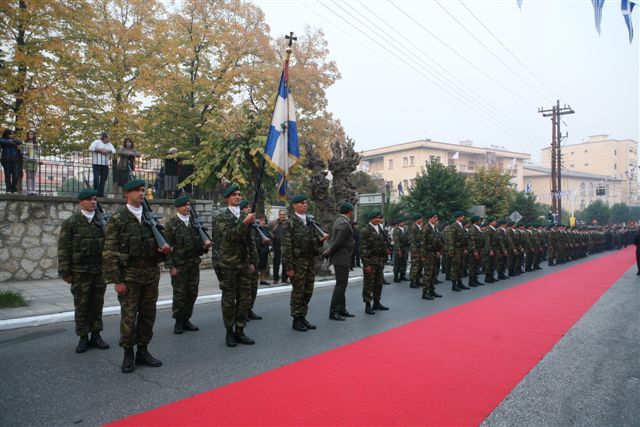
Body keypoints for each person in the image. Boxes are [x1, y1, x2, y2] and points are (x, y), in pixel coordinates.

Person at [103, 179, 171, 373]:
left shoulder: (151, 219)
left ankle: (143, 350)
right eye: (137, 191)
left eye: (143, 190)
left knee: (148, 315)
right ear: (127, 194)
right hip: (129, 275)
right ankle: (128, 354)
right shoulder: (118, 220)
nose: (141, 194)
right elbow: (109, 253)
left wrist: (165, 250)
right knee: (129, 316)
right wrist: (117, 280)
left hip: (150, 274)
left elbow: (159, 250)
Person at [57, 188, 110, 353]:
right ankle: (83, 337)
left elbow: (110, 246)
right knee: (81, 305)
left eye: (95, 199)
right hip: (80, 272)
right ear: (81, 202)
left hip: (98, 270)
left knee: (97, 304)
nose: (93, 202)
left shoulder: (102, 222)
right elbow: (64, 248)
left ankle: (96, 335)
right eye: (89, 200)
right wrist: (65, 272)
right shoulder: (72, 222)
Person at [211, 183, 257, 347]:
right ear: (227, 199)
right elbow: (230, 235)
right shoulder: (222, 216)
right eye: (234, 195)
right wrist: (245, 222)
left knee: (245, 299)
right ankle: (229, 332)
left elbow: (249, 240)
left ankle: (240, 330)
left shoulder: (244, 216)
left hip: (243, 264)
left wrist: (252, 261)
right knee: (229, 300)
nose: (238, 197)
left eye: (239, 194)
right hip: (228, 264)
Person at [164, 195, 212, 334]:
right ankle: (178, 321)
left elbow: (199, 246)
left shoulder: (195, 223)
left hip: (193, 265)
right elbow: (167, 248)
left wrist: (205, 246)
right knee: (180, 294)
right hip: (179, 266)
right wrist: (171, 266)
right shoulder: (172, 224)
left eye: (188, 205)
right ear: (178, 207)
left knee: (192, 293)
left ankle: (186, 319)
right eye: (184, 205)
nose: (187, 207)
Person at [282, 194, 328, 332]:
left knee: (308, 290)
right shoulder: (290, 223)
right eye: (301, 203)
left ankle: (303, 316)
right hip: (297, 263)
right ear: (294, 206)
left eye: (306, 203)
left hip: (309, 262)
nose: (305, 205)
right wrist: (289, 267)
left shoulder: (310, 222)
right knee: (298, 292)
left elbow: (313, 243)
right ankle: (296, 319)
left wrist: (320, 241)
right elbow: (286, 247)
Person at [325, 202, 355, 321]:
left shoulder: (341, 221)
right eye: (352, 211)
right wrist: (329, 253)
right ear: (349, 211)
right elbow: (337, 242)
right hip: (341, 258)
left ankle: (342, 309)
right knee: (340, 285)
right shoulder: (343, 223)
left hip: (343, 258)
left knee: (342, 284)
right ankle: (334, 311)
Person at [240, 199, 269, 320]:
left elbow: (254, 243)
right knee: (244, 290)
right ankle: (242, 311)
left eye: (249, 207)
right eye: (246, 207)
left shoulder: (253, 226)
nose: (248, 209)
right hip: (244, 262)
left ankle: (249, 308)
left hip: (254, 260)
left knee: (253, 287)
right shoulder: (241, 224)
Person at [360, 209, 390, 314]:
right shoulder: (366, 230)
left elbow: (383, 242)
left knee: (378, 283)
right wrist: (366, 264)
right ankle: (368, 305)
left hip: (380, 260)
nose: (378, 219)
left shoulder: (379, 229)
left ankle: (377, 302)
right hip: (371, 261)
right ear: (371, 219)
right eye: (376, 218)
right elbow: (363, 249)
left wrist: (386, 249)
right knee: (369, 284)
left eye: (379, 217)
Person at [421, 212, 443, 300]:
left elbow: (437, 241)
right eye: (434, 217)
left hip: (434, 253)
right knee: (427, 274)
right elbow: (423, 243)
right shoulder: (426, 228)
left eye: (436, 217)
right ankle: (425, 292)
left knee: (433, 273)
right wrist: (423, 255)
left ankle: (431, 290)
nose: (436, 219)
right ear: (429, 219)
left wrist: (438, 251)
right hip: (428, 254)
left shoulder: (435, 228)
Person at [446, 211, 469, 291]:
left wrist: (465, 249)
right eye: (462, 216)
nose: (463, 218)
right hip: (456, 250)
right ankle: (454, 284)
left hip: (461, 250)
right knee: (455, 267)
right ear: (458, 217)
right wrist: (451, 250)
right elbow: (451, 239)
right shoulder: (454, 226)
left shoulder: (461, 226)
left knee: (461, 267)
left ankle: (460, 282)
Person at [88, 133, 115, 197]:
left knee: (103, 180)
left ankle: (101, 193)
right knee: (96, 179)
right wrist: (99, 150)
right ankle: (95, 193)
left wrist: (107, 151)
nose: (109, 139)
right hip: (96, 164)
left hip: (105, 165)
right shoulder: (97, 142)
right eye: (108, 138)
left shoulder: (109, 144)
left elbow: (114, 151)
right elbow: (90, 148)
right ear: (104, 138)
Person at [268, 209, 288, 284]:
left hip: (286, 245)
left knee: (286, 262)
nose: (282, 216)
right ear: (279, 215)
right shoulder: (273, 223)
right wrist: (271, 236)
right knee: (276, 262)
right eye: (281, 214)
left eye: (283, 214)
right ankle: (276, 279)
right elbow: (267, 229)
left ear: (285, 215)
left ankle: (285, 278)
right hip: (276, 245)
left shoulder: (288, 223)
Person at [1, 129, 22, 193]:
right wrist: (9, 141)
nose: (12, 135)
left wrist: (12, 140)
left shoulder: (14, 140)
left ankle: (14, 189)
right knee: (7, 175)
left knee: (15, 175)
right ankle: (8, 189)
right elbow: (2, 141)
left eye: (12, 134)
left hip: (15, 159)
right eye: (11, 134)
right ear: (7, 134)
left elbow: (20, 142)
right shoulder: (2, 139)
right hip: (6, 159)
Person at [467, 215, 485, 287]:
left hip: (479, 249)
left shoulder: (478, 228)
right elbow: (472, 241)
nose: (480, 221)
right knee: (472, 266)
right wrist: (475, 251)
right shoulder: (472, 229)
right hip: (474, 251)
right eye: (479, 220)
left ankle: (475, 279)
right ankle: (471, 281)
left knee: (476, 266)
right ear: (476, 221)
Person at [22, 130, 41, 195]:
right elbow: (23, 152)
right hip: (28, 160)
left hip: (34, 160)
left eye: (32, 134)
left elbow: (39, 153)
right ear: (27, 135)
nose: (30, 135)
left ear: (33, 135)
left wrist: (36, 148)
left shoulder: (36, 143)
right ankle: (29, 190)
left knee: (33, 176)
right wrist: (26, 153)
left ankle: (33, 190)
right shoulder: (25, 142)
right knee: (28, 176)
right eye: (29, 134)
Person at [409, 213, 424, 289]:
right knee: (415, 266)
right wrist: (414, 251)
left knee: (420, 266)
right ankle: (412, 282)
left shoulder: (419, 227)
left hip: (420, 250)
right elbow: (412, 240)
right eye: (420, 218)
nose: (422, 220)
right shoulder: (413, 228)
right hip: (416, 250)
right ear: (417, 219)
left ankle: (417, 280)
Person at [392, 217, 410, 283]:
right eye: (402, 222)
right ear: (399, 223)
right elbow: (396, 241)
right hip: (398, 249)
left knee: (404, 263)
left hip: (404, 249)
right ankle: (396, 277)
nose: (403, 223)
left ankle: (402, 275)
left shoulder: (403, 229)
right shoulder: (396, 230)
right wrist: (398, 250)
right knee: (397, 264)